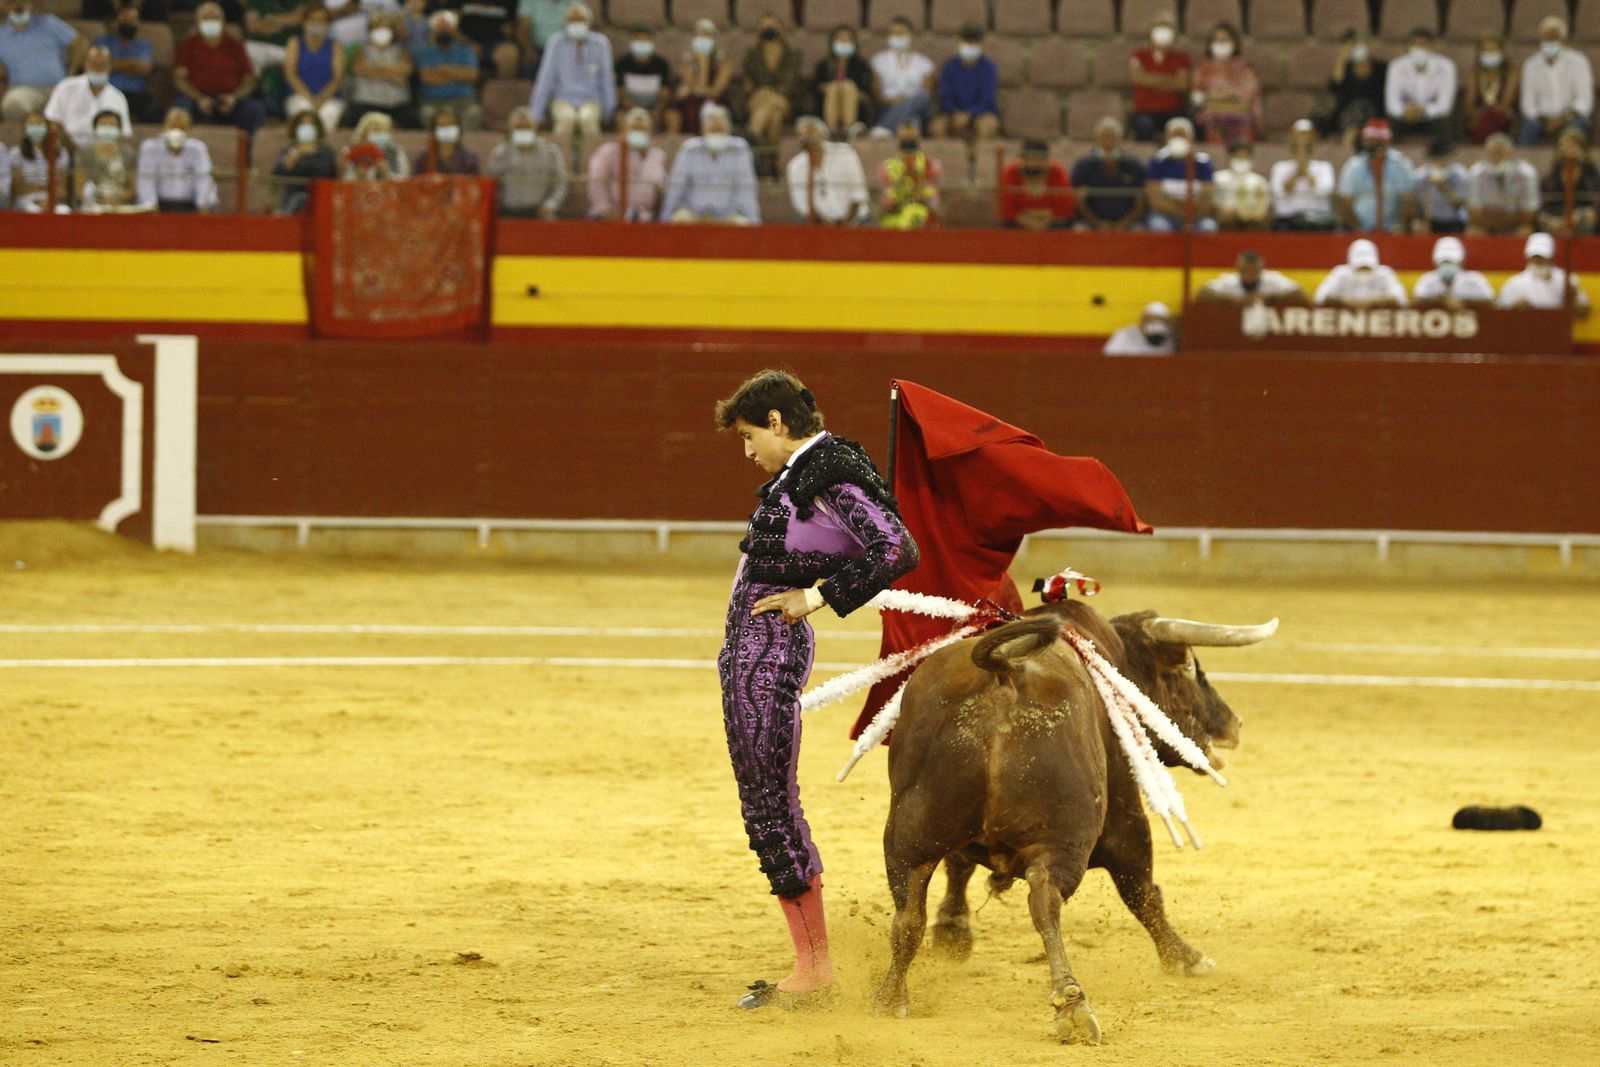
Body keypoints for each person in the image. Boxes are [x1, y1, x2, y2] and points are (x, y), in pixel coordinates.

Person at [711, 369, 918, 1012]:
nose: (747, 452)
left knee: (769, 800)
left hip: (769, 653)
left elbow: (894, 547)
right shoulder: (807, 472)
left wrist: (817, 597)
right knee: (764, 798)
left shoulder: (826, 469)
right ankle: (812, 962)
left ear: (776, 421)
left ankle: (815, 969)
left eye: (748, 436)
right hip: (753, 652)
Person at [173, 2, 264, 137]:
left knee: (254, 109)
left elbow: (249, 79)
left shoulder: (235, 45)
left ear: (223, 21)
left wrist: (234, 97)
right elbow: (179, 79)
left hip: (230, 100)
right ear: (198, 22)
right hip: (197, 99)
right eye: (206, 18)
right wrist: (199, 99)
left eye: (214, 18)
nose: (210, 22)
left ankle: (246, 154)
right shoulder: (188, 45)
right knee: (181, 107)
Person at [529, 1, 614, 142]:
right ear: (565, 23)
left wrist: (609, 111)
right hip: (562, 99)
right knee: (566, 119)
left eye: (580, 20)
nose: (576, 23)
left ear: (589, 22)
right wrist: (536, 114)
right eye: (572, 20)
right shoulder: (556, 42)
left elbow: (607, 79)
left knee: (587, 119)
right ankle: (560, 160)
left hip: (591, 99)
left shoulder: (601, 43)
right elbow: (545, 78)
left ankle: (591, 161)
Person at [661, 102, 758, 224]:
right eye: (712, 126)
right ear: (703, 128)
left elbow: (747, 190)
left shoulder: (740, 149)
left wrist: (755, 224)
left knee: (742, 223)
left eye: (720, 126)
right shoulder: (689, 149)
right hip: (693, 214)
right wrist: (664, 222)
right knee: (680, 219)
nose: (716, 125)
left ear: (729, 127)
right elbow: (675, 188)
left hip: (728, 216)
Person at [739, 14, 805, 173]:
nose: (769, 29)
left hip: (786, 101)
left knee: (771, 106)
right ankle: (772, 163)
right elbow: (748, 85)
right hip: (759, 103)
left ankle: (752, 147)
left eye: (772, 26)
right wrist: (760, 94)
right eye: (764, 26)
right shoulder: (752, 56)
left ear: (782, 30)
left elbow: (789, 85)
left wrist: (767, 93)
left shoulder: (793, 56)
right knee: (774, 116)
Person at [0, 0, 84, 123]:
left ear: (30, 3)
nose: (18, 5)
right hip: (24, 90)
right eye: (13, 2)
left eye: (22, 1)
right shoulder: (1, 35)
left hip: (58, 87)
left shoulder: (49, 22)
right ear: (4, 5)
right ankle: (24, 142)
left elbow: (79, 43)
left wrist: (72, 73)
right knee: (13, 104)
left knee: (81, 104)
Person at [1518, 17, 1592, 147]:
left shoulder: (1579, 62)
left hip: (1570, 117)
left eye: (1554, 38)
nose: (1550, 42)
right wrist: (1545, 120)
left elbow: (1584, 101)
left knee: (1578, 125)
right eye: (1546, 38)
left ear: (1563, 40)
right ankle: (1525, 164)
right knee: (1529, 128)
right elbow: (1528, 104)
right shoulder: (1531, 65)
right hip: (1541, 119)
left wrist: (1562, 119)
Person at [1335, 118, 1416, 234]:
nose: (1377, 147)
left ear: (1388, 142)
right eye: (1372, 142)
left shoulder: (1401, 165)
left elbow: (1407, 200)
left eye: (1380, 142)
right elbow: (1345, 203)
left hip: (1392, 230)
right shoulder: (1353, 166)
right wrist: (1358, 230)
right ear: (1364, 142)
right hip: (1360, 229)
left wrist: (1400, 225)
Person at [586, 105, 666, 221]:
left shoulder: (658, 156)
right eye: (634, 128)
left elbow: (662, 187)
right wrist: (606, 211)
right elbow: (596, 183)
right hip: (609, 216)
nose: (639, 132)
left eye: (643, 129)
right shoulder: (608, 151)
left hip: (644, 219)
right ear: (624, 130)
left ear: (650, 132)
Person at [786, 113, 868, 225]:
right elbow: (802, 205)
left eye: (810, 133)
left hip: (854, 220)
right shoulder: (795, 166)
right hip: (818, 223)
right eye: (802, 135)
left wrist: (846, 223)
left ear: (823, 135)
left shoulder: (845, 154)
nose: (806, 138)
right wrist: (826, 224)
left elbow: (859, 194)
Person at [43, 44, 130, 148]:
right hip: (68, 146)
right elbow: (52, 120)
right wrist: (66, 145)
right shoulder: (66, 87)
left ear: (110, 66)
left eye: (102, 65)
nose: (98, 69)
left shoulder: (118, 97)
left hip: (103, 152)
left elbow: (124, 133)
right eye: (94, 64)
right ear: (86, 65)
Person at [1384, 27, 1455, 152]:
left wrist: (1423, 110)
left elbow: (1444, 105)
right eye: (1414, 44)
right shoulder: (1396, 66)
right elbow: (1392, 103)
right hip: (1405, 117)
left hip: (1432, 117)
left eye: (1423, 44)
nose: (1419, 49)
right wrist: (1405, 110)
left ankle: (1438, 163)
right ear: (1407, 47)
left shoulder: (1446, 67)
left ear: (1431, 47)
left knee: (1444, 125)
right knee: (1389, 126)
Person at [488, 105, 566, 218]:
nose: (523, 131)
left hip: (540, 212)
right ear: (510, 129)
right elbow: (493, 185)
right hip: (507, 212)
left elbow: (560, 184)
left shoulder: (551, 152)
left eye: (527, 127)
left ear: (535, 128)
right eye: (519, 127)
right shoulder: (500, 153)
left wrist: (551, 204)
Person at [136, 108, 218, 212]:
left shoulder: (198, 149)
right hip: (158, 206)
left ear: (189, 131)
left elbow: (204, 180)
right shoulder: (150, 148)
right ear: (164, 128)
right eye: (173, 126)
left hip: (190, 207)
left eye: (182, 128)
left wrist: (203, 206)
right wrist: (150, 207)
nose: (177, 131)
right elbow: (145, 181)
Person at [1070, 116, 1145, 229]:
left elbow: (1141, 202)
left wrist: (1124, 223)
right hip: (1089, 222)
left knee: (1141, 230)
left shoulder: (1133, 165)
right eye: (1104, 137)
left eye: (1113, 137)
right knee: (1079, 229)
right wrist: (1097, 223)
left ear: (1121, 140)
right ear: (1096, 140)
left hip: (1128, 221)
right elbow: (1078, 201)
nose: (1108, 142)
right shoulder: (1083, 166)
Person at [1191, 22, 1259, 146]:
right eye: (1217, 40)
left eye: (1225, 39)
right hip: (1211, 117)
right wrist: (1227, 98)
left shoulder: (1245, 68)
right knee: (1210, 120)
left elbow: (1247, 99)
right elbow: (1198, 99)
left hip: (1241, 116)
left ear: (1234, 42)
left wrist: (1216, 98)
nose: (1221, 43)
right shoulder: (1202, 68)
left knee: (1243, 121)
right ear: (1210, 44)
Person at [1144, 116, 1216, 232]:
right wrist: (1183, 213)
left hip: (1197, 216)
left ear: (1191, 138)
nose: (1178, 139)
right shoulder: (1157, 162)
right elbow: (1155, 200)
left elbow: (1207, 200)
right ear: (1166, 138)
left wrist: (1191, 215)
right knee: (1159, 227)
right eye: (1174, 135)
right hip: (1164, 215)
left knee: (1208, 227)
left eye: (1182, 135)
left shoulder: (1203, 163)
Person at [345, 10, 413, 129]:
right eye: (377, 27)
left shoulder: (401, 51)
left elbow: (406, 70)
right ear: (370, 30)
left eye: (385, 27)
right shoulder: (361, 50)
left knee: (411, 121)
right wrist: (392, 74)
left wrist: (375, 68)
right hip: (366, 101)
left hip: (396, 102)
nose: (381, 31)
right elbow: (359, 69)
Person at [415, 9, 481, 130]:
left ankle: (461, 147)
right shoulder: (425, 52)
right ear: (434, 31)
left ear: (454, 30)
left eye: (447, 27)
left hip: (463, 102)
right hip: (433, 102)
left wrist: (444, 70)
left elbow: (472, 76)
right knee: (426, 113)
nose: (444, 31)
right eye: (440, 28)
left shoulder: (466, 51)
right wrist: (458, 74)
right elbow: (427, 78)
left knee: (474, 113)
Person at [1128, 11, 1189, 143]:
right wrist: (1170, 81)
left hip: (1173, 110)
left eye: (1167, 26)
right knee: (1143, 126)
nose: (1162, 30)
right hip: (1145, 111)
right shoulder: (1139, 55)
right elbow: (1137, 79)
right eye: (1159, 26)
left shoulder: (1181, 58)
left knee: (1183, 127)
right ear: (1151, 30)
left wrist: (1149, 79)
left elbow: (1182, 85)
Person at [283, 4, 345, 132]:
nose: (317, 23)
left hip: (329, 97)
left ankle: (323, 151)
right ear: (305, 22)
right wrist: (310, 99)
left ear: (327, 24)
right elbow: (290, 74)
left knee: (328, 113)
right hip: (299, 95)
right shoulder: (295, 43)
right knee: (303, 111)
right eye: (313, 19)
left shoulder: (335, 46)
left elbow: (338, 78)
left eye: (322, 20)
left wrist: (321, 100)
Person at [1496, 230, 1589, 315]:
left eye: (1542, 257)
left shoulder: (1566, 280)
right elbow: (1499, 315)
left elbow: (1583, 310)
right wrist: (1514, 309)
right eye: (1534, 257)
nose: (1538, 261)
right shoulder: (1515, 284)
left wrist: (1573, 298)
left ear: (1551, 257)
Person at [931, 22, 998, 141]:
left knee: (989, 125)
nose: (970, 46)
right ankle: (948, 155)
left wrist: (969, 114)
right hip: (952, 113)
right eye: (967, 42)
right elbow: (945, 95)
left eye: (973, 43)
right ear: (959, 42)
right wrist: (955, 112)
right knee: (936, 126)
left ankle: (979, 156)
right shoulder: (949, 66)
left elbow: (987, 98)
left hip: (981, 113)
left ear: (980, 45)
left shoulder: (989, 68)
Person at [869, 16, 933, 137]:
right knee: (912, 121)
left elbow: (926, 94)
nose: (897, 36)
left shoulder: (925, 63)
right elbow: (876, 94)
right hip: (887, 106)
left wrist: (907, 102)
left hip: (917, 106)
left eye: (901, 33)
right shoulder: (878, 61)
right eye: (894, 33)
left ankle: (883, 127)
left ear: (910, 35)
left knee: (923, 97)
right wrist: (895, 101)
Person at [1322, 29, 1385, 147]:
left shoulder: (1382, 69)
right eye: (1351, 45)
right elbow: (1335, 89)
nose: (1356, 48)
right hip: (1347, 117)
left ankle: (1348, 149)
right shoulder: (1345, 70)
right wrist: (1341, 60)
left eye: (1358, 44)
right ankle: (1348, 147)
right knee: (1355, 112)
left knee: (1361, 106)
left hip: (1375, 115)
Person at [1466, 132, 1539, 236]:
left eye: (1501, 154)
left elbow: (1529, 215)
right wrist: (1509, 215)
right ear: (1487, 154)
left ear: (1511, 153)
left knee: (1525, 231)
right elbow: (1474, 213)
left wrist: (1493, 214)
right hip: (1487, 225)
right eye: (1494, 154)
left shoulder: (1526, 173)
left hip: (1516, 226)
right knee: (1474, 232)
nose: (1497, 158)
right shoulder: (1476, 173)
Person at [1270, 119, 1337, 230]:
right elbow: (1279, 193)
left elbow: (1323, 191)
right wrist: (1297, 172)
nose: (1303, 141)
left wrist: (1306, 171)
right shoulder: (1280, 167)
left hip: (1318, 219)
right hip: (1287, 220)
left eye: (1307, 137)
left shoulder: (1324, 167)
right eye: (1299, 136)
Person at [96, 2, 156, 123]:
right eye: (125, 19)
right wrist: (133, 65)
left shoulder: (144, 46)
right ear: (116, 22)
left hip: (136, 94)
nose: (130, 22)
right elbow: (101, 65)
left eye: (133, 19)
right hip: (108, 91)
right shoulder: (103, 42)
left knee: (154, 111)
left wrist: (114, 64)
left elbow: (144, 68)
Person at [812, 23, 872, 137]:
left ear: (854, 43)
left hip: (857, 109)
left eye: (847, 39)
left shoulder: (861, 66)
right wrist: (833, 88)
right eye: (840, 38)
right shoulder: (823, 66)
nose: (844, 41)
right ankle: (831, 131)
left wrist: (848, 90)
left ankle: (847, 130)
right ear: (832, 42)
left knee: (847, 86)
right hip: (826, 106)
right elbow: (815, 89)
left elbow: (866, 93)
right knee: (834, 87)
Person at [270, 109, 336, 212]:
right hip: (292, 198)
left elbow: (329, 175)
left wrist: (314, 153)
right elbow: (277, 176)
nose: (307, 127)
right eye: (302, 124)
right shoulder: (288, 150)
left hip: (320, 199)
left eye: (311, 124)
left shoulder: (326, 151)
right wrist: (296, 154)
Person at [75, 106, 140, 211]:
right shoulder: (84, 154)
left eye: (112, 125)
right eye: (103, 125)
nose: (107, 128)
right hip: (93, 205)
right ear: (95, 128)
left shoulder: (129, 154)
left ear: (119, 130)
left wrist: (119, 197)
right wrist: (101, 199)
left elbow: (132, 190)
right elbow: (79, 190)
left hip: (121, 204)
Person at [674, 17, 731, 136]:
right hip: (693, 100)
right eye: (698, 35)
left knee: (707, 106)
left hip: (716, 100)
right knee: (688, 107)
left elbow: (715, 92)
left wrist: (704, 63)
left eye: (706, 35)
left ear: (714, 39)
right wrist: (700, 63)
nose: (702, 38)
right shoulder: (686, 60)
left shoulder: (724, 60)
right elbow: (692, 85)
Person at [614, 23, 675, 134]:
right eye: (638, 39)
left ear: (653, 42)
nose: (642, 42)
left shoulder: (661, 64)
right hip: (630, 108)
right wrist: (639, 112)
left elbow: (665, 93)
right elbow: (621, 94)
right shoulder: (622, 63)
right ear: (631, 41)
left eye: (647, 39)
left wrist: (656, 110)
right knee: (620, 117)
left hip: (655, 108)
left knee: (672, 116)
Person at [1000, 138, 1073, 229]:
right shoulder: (1011, 172)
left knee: (1061, 223)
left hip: (1051, 223)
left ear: (1046, 160)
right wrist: (1034, 223)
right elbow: (1007, 208)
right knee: (1008, 223)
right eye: (1029, 159)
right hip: (1020, 222)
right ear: (1022, 159)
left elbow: (1065, 208)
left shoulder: (1057, 172)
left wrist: (1039, 221)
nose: (1033, 163)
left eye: (1037, 159)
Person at [878, 119, 939, 229]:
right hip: (895, 216)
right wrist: (900, 182)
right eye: (905, 140)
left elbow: (934, 202)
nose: (908, 144)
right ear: (898, 141)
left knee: (913, 216)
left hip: (921, 213)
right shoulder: (887, 167)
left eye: (911, 140)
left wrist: (919, 181)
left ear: (918, 140)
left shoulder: (930, 165)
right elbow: (885, 204)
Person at [1539, 127, 1600, 236]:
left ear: (1584, 150)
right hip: (1555, 220)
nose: (1567, 150)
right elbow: (1540, 207)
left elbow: (1596, 206)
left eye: (1573, 145)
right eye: (1563, 146)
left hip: (1584, 220)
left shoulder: (1595, 178)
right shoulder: (1548, 179)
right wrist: (1550, 220)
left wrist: (1581, 215)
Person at [1314, 238, 1407, 308]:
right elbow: (1320, 297)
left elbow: (1401, 299)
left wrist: (1374, 300)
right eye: (1360, 267)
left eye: (1367, 267)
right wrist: (1344, 300)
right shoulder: (1340, 274)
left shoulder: (1385, 274)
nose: (1363, 270)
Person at [1196, 250, 1307, 305]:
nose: (1249, 275)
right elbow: (1202, 293)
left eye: (1254, 271)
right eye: (1245, 271)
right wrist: (1233, 301)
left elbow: (1300, 294)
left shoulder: (1273, 280)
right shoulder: (1229, 281)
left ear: (1261, 270)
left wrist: (1270, 299)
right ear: (1238, 270)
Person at [8, 108, 68, 210]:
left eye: (39, 123)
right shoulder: (16, 153)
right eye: (31, 124)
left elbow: (62, 187)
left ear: (47, 127)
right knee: (34, 210)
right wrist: (41, 191)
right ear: (24, 128)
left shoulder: (61, 152)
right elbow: (17, 189)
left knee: (64, 211)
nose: (35, 127)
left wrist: (51, 198)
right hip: (26, 199)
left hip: (53, 198)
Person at [1412, 236, 1494, 308]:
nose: (1447, 265)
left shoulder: (1474, 280)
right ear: (1435, 262)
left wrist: (1463, 302)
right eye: (1444, 262)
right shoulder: (1427, 280)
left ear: (1462, 261)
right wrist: (1441, 300)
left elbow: (1491, 302)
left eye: (1451, 262)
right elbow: (1416, 301)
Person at [1465, 33, 1517, 145]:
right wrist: (1479, 114)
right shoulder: (1474, 74)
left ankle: (1479, 150)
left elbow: (1506, 103)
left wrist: (1487, 113)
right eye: (1486, 51)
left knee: (1489, 117)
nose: (1489, 54)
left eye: (1493, 51)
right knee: (1484, 119)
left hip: (1502, 115)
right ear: (1479, 53)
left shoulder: (1510, 73)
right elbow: (1469, 104)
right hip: (1479, 116)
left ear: (1501, 52)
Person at [1212, 140, 1268, 229]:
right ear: (1230, 157)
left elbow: (1264, 205)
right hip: (1227, 219)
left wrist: (1250, 213)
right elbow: (1213, 204)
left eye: (1245, 157)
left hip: (1252, 218)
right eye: (1238, 156)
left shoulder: (1259, 181)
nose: (1241, 159)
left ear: (1250, 159)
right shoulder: (1218, 178)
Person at [1415, 141, 1468, 233]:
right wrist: (1420, 219)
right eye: (1437, 158)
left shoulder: (1459, 174)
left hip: (1454, 221)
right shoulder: (1422, 175)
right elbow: (1417, 202)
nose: (1440, 161)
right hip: (1431, 221)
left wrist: (1442, 187)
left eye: (1444, 157)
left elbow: (1459, 205)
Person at [414, 104, 479, 174]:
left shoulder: (470, 159)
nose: (446, 130)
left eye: (450, 125)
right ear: (434, 131)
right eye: (442, 126)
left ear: (459, 129)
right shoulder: (423, 159)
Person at [343, 108, 408, 177]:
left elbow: (403, 177)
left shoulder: (396, 151)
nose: (379, 133)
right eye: (375, 129)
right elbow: (343, 178)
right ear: (364, 131)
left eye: (382, 130)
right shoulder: (350, 149)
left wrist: (386, 174)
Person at [1103, 301, 1176, 355]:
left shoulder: (1170, 339)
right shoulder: (1125, 334)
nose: (1156, 324)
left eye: (1162, 320)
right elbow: (1108, 358)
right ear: (1142, 321)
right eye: (1150, 320)